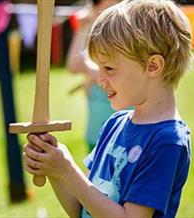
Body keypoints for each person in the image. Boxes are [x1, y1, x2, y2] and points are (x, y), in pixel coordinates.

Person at [24, 0, 191, 217]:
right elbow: (82, 208)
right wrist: (55, 168)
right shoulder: (115, 123)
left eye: (109, 68)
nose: (99, 79)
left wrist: (66, 171)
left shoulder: (166, 142)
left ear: (153, 66)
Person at [66, 0, 119, 152]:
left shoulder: (125, 32)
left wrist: (89, 70)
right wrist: (83, 26)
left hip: (123, 130)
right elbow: (74, 64)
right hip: (96, 129)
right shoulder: (95, 32)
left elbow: (116, 77)